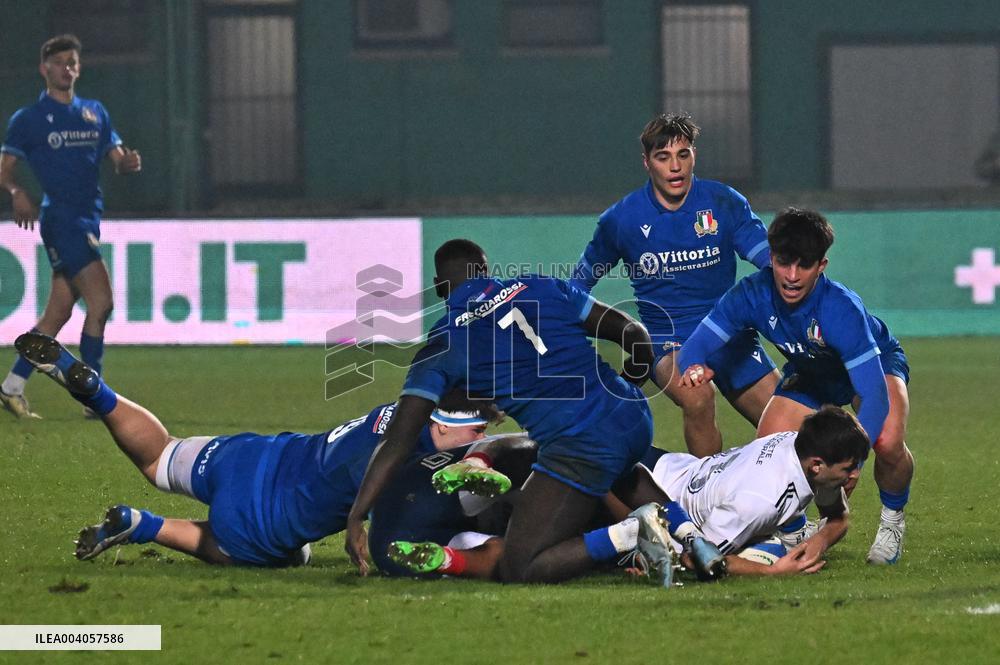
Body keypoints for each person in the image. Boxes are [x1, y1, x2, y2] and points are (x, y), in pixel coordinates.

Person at [345, 238, 721, 586]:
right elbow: (634, 332)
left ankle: (629, 534)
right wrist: (623, 390)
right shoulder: (539, 285)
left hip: (580, 445)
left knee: (519, 566)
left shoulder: (444, 341)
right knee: (620, 469)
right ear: (486, 272)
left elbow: (399, 440)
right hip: (633, 417)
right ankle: (695, 539)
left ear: (440, 286)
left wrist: (357, 514)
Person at [13, 330, 499, 566]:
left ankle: (97, 392)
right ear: (448, 424)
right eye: (477, 430)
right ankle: (147, 526)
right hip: (266, 518)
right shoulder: (408, 458)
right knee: (294, 557)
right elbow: (396, 511)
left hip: (253, 455)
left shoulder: (392, 410)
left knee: (158, 456)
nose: (477, 439)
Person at [677, 207, 914, 565]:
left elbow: (873, 396)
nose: (790, 276)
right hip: (812, 371)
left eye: (803, 266)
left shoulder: (840, 310)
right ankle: (795, 528)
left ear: (822, 266)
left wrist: (854, 462)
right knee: (767, 447)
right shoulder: (751, 294)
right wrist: (694, 367)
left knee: (887, 440)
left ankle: (892, 520)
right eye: (784, 263)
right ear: (771, 257)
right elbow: (696, 346)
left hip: (874, 365)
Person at [389, 406, 867, 580]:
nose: (852, 479)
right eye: (849, 471)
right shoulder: (763, 499)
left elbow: (836, 514)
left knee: (552, 459)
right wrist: (775, 572)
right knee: (531, 556)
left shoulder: (799, 445)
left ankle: (481, 465)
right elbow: (695, 557)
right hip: (652, 499)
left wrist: (822, 537)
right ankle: (455, 554)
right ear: (817, 465)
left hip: (659, 464)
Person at [570, 113, 779, 459]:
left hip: (729, 333)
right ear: (647, 162)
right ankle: (705, 494)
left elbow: (769, 259)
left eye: (683, 154)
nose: (675, 167)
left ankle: (797, 515)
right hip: (667, 340)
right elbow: (578, 284)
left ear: (694, 155)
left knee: (789, 425)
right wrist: (559, 327)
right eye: (663, 157)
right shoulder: (622, 219)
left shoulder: (723, 202)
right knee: (698, 396)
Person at [0, 34, 141, 420]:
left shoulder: (94, 112)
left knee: (56, 316)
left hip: (88, 217)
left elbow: (116, 157)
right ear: (44, 68)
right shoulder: (28, 120)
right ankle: (94, 396)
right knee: (102, 302)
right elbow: (5, 171)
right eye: (60, 62)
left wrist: (126, 163)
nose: (68, 68)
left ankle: (11, 387)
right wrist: (17, 191)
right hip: (62, 220)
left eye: (73, 62)